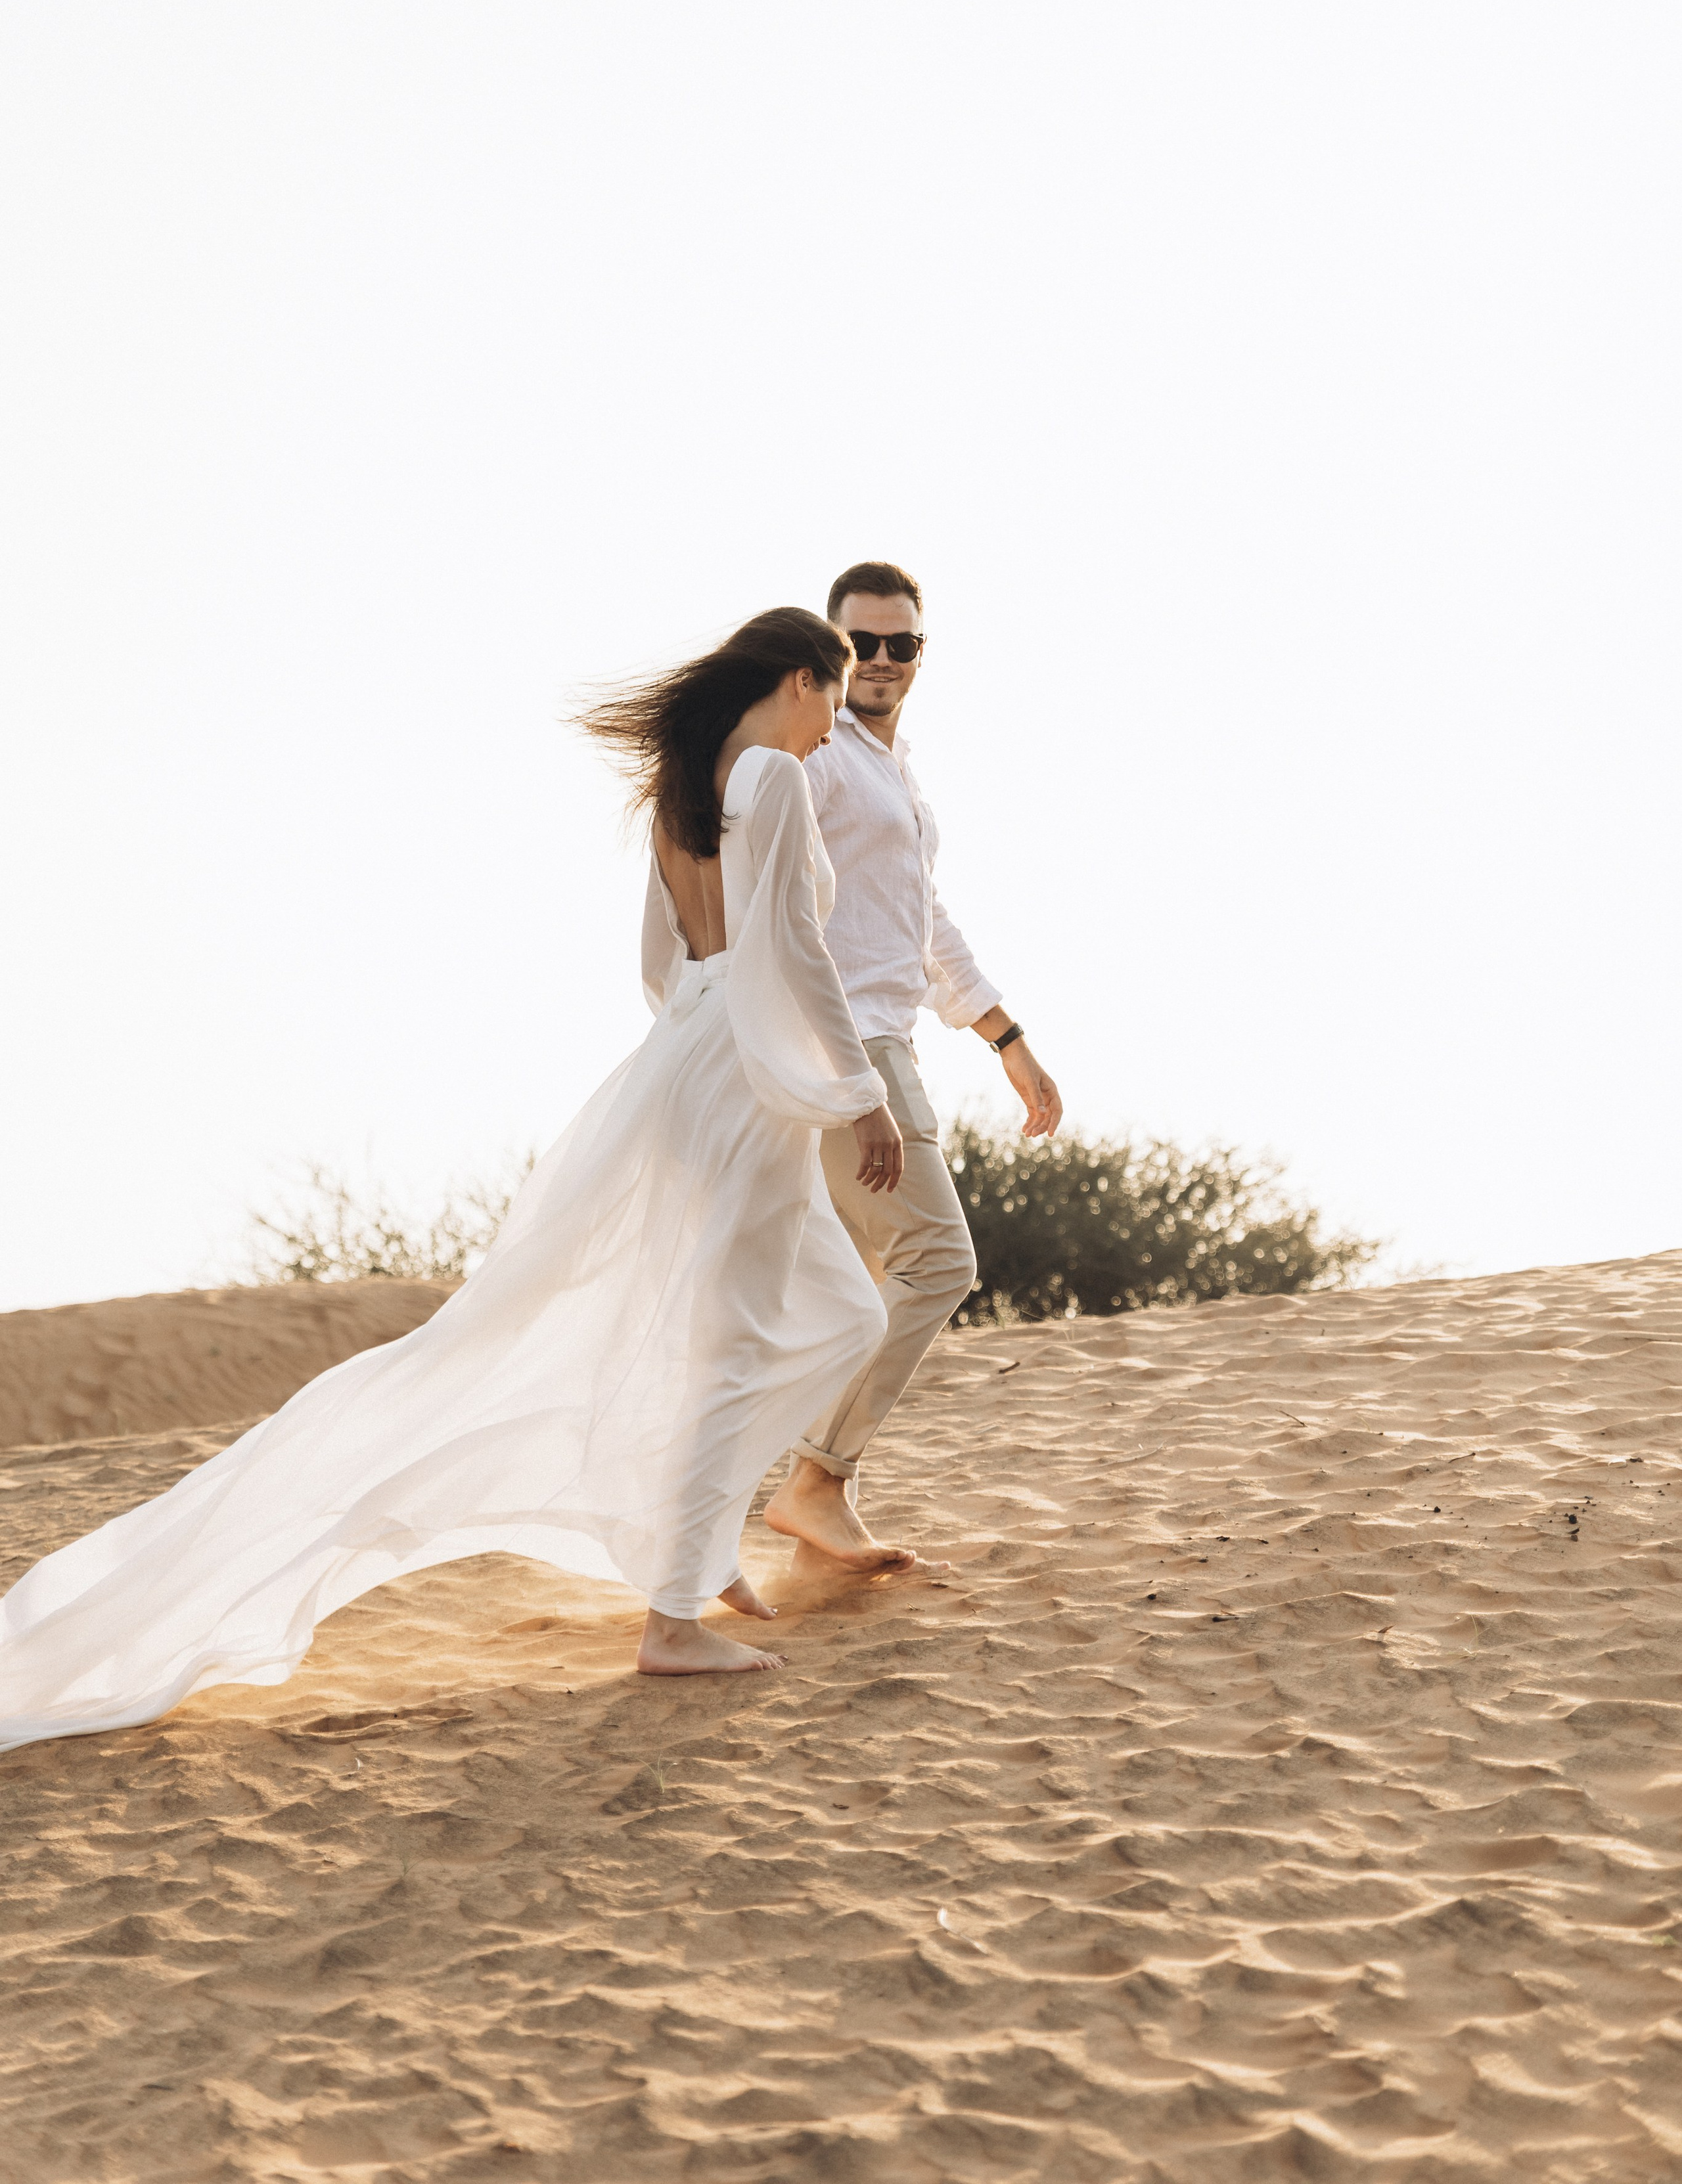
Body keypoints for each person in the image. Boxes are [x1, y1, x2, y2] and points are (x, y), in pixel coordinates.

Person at [0, 609, 909, 1751]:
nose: (836, 730)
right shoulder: (773, 774)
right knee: (753, 1338)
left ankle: (700, 1540)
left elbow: (658, 966)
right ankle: (674, 1611)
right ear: (796, 680)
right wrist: (855, 1091)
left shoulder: (681, 787)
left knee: (828, 1314)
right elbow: (799, 951)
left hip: (689, 1055)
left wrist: (701, 1040)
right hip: (746, 1075)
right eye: (831, 698)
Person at [764, 560, 1062, 1573]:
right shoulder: (819, 761)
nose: (883, 662)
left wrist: (1007, 1039)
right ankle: (816, 1481)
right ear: (832, 651)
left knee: (846, 1288)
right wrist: (840, 1067)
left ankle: (800, 1512)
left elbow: (922, 922)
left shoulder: (891, 768)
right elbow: (770, 895)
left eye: (903, 645)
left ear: (921, 654)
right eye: (862, 645)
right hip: (847, 1047)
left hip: (882, 1036)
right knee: (939, 1262)